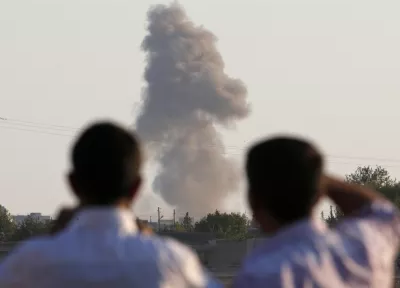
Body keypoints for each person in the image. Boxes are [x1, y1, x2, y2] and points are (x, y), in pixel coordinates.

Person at [0, 121, 221, 288]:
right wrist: (151, 243)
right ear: (136, 187)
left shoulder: (30, 262)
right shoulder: (172, 261)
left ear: (73, 184)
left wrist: (52, 241)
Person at [233, 137, 400, 288]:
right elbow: (382, 212)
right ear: (319, 195)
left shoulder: (261, 275)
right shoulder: (364, 248)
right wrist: (314, 178)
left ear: (253, 200)